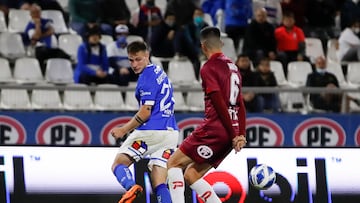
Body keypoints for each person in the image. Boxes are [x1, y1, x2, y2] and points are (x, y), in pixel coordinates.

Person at [167, 26, 247, 203]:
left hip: (215, 130)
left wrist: (235, 135)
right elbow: (240, 102)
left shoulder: (208, 67)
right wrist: (240, 134)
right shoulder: (233, 67)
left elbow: (219, 103)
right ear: (222, 43)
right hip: (229, 133)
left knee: (173, 163)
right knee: (191, 174)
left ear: (203, 47)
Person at [110, 41, 179, 203]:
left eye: (138, 59)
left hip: (152, 130)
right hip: (171, 133)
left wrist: (123, 129)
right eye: (131, 60)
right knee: (159, 182)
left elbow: (146, 112)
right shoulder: (159, 71)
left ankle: (131, 187)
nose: (134, 64)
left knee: (119, 164)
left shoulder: (146, 78)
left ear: (147, 55)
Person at [24, 4, 70, 74]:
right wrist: (37, 25)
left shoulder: (46, 21)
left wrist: (40, 36)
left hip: (51, 48)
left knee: (62, 54)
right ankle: (42, 73)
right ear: (31, 14)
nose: (37, 14)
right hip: (38, 49)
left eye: (38, 12)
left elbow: (51, 31)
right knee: (42, 52)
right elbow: (36, 36)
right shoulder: (30, 26)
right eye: (34, 13)